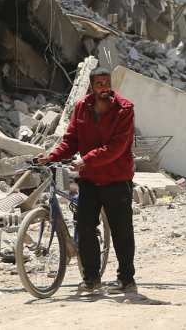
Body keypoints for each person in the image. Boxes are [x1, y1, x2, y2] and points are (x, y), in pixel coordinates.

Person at [39, 66, 136, 296]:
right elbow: (71, 139)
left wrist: (86, 160)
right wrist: (51, 156)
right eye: (99, 84)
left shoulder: (124, 109)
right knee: (84, 226)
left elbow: (116, 147)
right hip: (90, 179)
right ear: (92, 86)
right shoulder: (82, 107)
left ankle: (126, 279)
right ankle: (91, 278)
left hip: (116, 178)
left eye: (107, 83)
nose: (104, 87)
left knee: (122, 230)